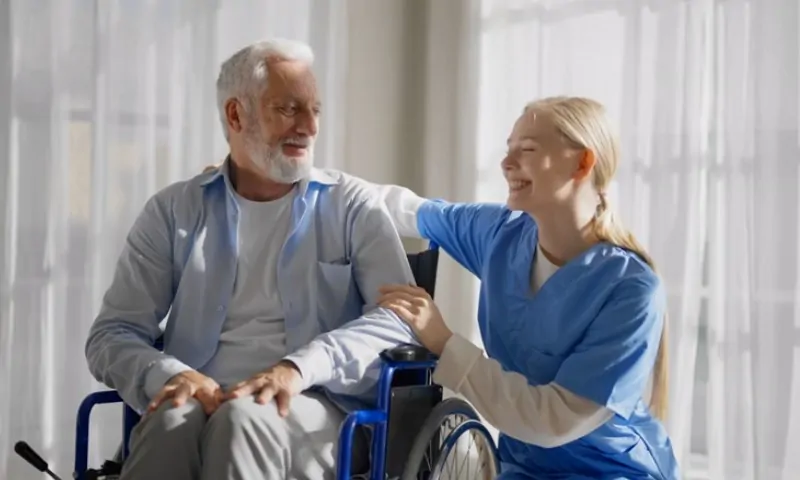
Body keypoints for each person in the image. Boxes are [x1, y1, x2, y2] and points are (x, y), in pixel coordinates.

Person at [85, 39, 418, 480]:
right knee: (168, 422)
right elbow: (111, 334)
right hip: (201, 400)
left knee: (242, 420)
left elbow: (398, 320)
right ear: (236, 115)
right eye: (288, 109)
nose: (308, 126)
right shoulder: (172, 211)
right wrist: (166, 374)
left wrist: (298, 368)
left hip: (317, 406)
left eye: (314, 109)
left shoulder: (352, 205)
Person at [371, 96, 680, 479]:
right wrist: (306, 182)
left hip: (611, 471)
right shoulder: (499, 235)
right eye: (508, 150)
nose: (506, 164)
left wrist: (443, 340)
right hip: (525, 469)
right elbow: (401, 208)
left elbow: (552, 420)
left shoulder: (631, 291)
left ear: (583, 162)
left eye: (528, 149)